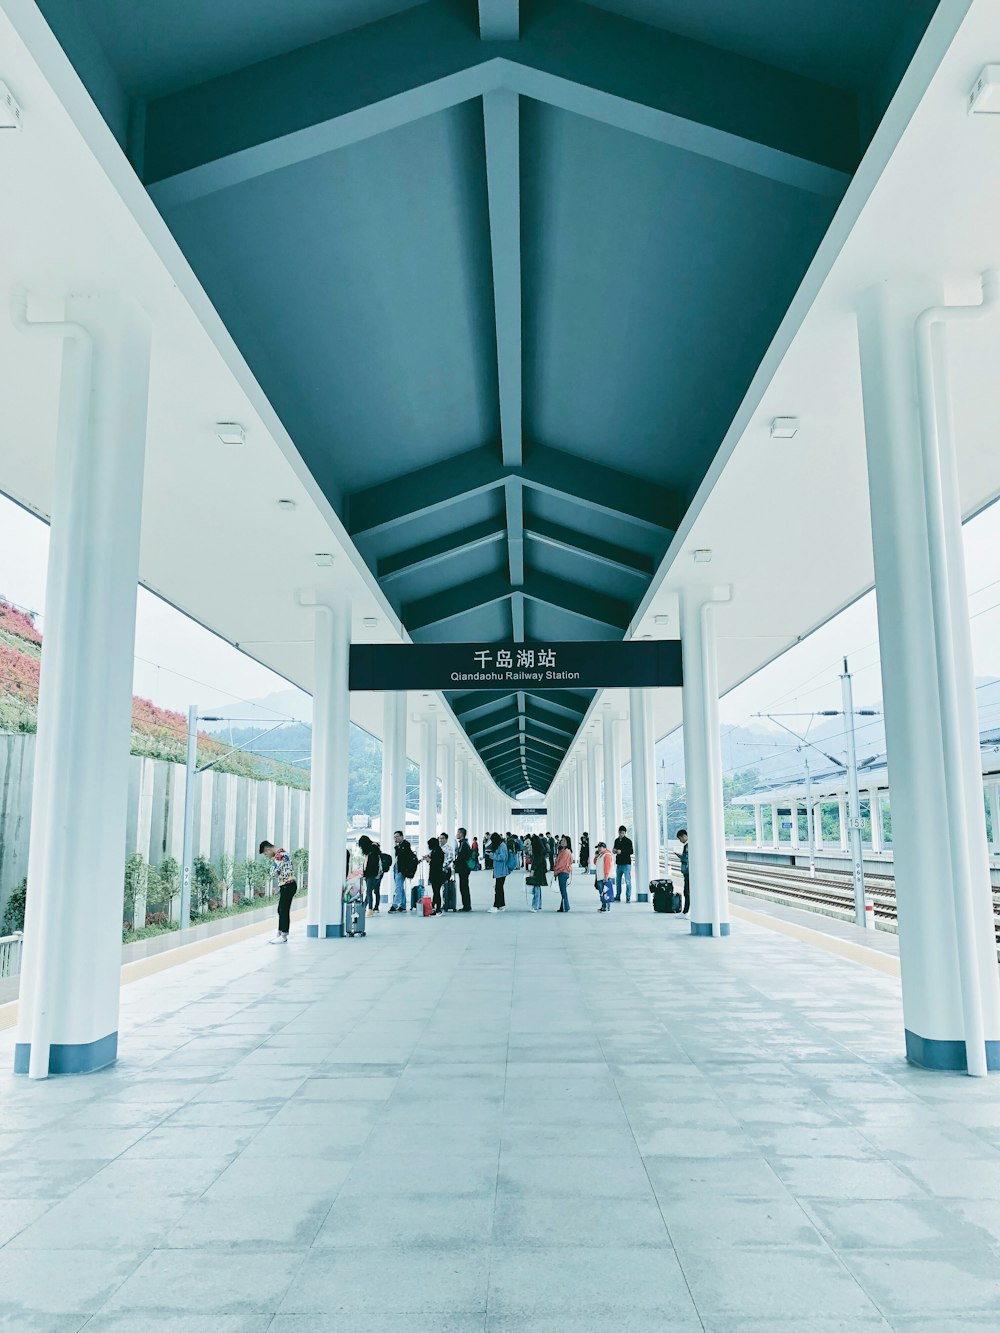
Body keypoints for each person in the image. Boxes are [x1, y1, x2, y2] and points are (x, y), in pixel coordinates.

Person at [260, 839, 296, 943]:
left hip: (287, 886)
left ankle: (283, 935)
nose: (267, 856)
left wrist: (271, 870)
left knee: (283, 910)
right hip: (288, 885)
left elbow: (273, 872)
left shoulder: (279, 856)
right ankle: (280, 933)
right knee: (281, 909)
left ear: (268, 849)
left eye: (266, 854)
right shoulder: (283, 852)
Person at [390, 829, 416, 913]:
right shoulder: (399, 846)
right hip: (397, 868)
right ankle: (403, 905)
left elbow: (402, 855)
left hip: (401, 869)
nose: (395, 838)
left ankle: (395, 904)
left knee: (398, 887)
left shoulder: (405, 844)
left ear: (402, 837)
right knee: (400, 887)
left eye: (397, 836)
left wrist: (397, 847)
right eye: (394, 837)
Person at [358, 834, 383, 912]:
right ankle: (374, 907)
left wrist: (366, 873)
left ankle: (369, 908)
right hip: (376, 873)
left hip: (373, 874)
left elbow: (372, 864)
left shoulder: (372, 849)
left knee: (369, 891)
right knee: (375, 890)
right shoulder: (374, 848)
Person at [488, 832, 509, 912]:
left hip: (501, 871)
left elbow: (502, 857)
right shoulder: (500, 845)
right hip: (499, 870)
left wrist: (492, 856)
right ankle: (501, 905)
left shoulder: (502, 846)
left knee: (498, 889)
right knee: (499, 888)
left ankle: (495, 906)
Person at [527, 833, 548, 911]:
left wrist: (532, 870)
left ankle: (535, 906)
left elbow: (536, 862)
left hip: (537, 871)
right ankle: (538, 905)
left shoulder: (538, 852)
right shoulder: (542, 850)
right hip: (541, 871)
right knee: (538, 887)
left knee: (536, 888)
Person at [454, 827, 473, 912]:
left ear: (461, 834)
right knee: (464, 886)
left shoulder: (463, 844)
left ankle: (466, 906)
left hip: (464, 869)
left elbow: (461, 856)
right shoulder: (464, 843)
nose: (457, 834)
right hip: (465, 868)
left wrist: (455, 863)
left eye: (458, 833)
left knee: (463, 887)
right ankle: (466, 905)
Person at [613, 824, 634, 902]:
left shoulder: (628, 841)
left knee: (627, 881)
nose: (621, 834)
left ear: (625, 833)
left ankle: (628, 897)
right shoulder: (616, 840)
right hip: (619, 863)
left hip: (626, 864)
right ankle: (618, 896)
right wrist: (614, 851)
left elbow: (631, 851)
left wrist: (621, 851)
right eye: (619, 832)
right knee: (618, 881)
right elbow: (614, 848)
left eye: (622, 833)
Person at [425, 836, 445, 915]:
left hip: (437, 874)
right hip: (435, 874)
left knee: (436, 892)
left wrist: (430, 860)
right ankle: (434, 907)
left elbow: (437, 863)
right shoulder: (435, 850)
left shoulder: (438, 851)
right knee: (436, 891)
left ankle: (438, 908)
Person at [554, 835, 573, 913]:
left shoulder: (566, 852)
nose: (562, 842)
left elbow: (562, 864)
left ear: (568, 843)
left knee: (563, 891)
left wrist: (556, 872)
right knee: (563, 890)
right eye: (562, 840)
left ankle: (566, 907)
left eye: (564, 841)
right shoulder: (563, 851)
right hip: (563, 872)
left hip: (563, 872)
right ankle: (563, 907)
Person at [439, 832, 457, 912]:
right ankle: (443, 903)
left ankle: (446, 904)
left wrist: (443, 866)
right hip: (440, 870)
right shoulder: (439, 848)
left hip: (446, 870)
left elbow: (450, 858)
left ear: (446, 839)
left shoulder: (448, 848)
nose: (441, 840)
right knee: (441, 887)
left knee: (445, 887)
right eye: (440, 838)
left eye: (443, 838)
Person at [594, 841, 614, 911]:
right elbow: (595, 863)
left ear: (604, 847)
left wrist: (606, 876)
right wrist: (596, 857)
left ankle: (607, 908)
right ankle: (603, 906)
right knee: (602, 893)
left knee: (606, 893)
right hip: (600, 877)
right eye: (598, 847)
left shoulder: (607, 855)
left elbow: (607, 866)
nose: (599, 849)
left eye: (600, 847)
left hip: (605, 878)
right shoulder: (601, 855)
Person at [677, 828, 689, 915]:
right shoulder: (687, 845)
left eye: (680, 838)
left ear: (684, 836)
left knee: (687, 892)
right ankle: (685, 911)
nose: (680, 840)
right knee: (687, 891)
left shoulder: (687, 846)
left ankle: (685, 912)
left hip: (688, 872)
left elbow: (687, 858)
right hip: (687, 872)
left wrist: (680, 856)